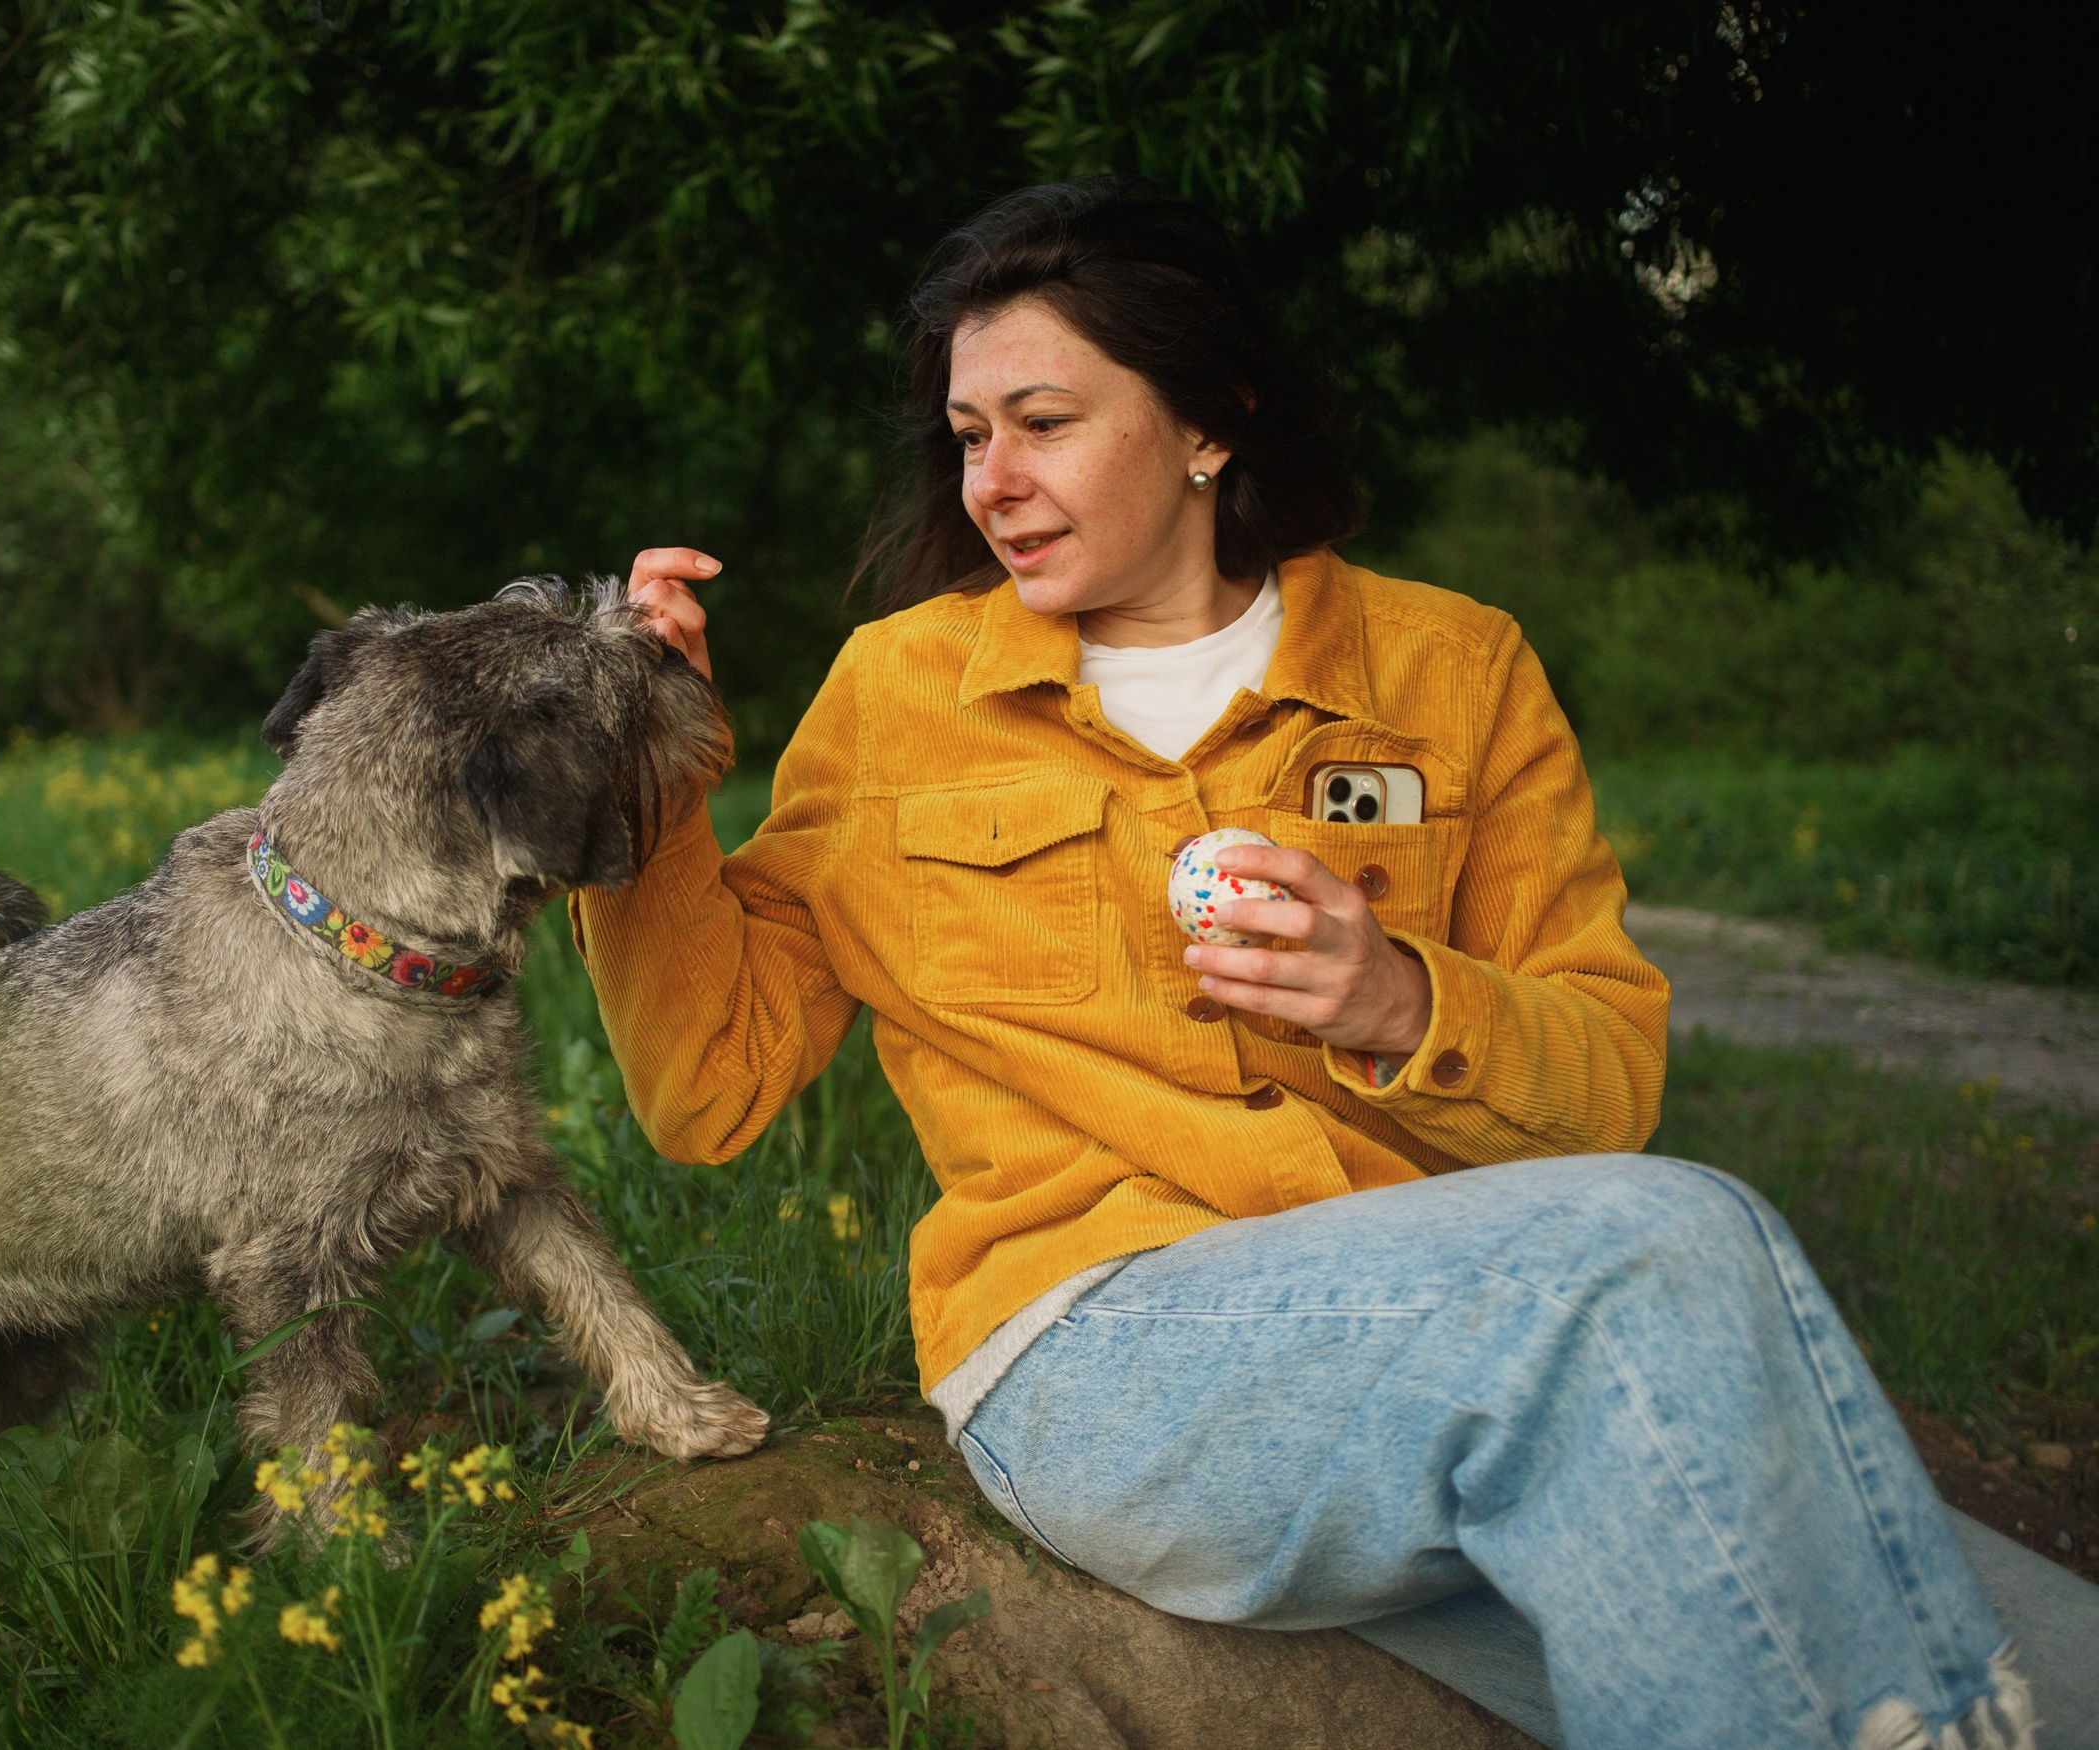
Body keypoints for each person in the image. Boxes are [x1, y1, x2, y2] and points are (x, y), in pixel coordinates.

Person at [575, 181, 2032, 1750]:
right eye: (970, 434)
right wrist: (639, 770)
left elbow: (1611, 1083)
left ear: (1210, 420)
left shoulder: (1450, 666)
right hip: (1093, 1353)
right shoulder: (897, 693)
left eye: (1044, 422)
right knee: (1658, 1257)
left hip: (1443, 1327)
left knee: (1692, 1311)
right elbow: (706, 1087)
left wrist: (1407, 1003)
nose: (993, 479)